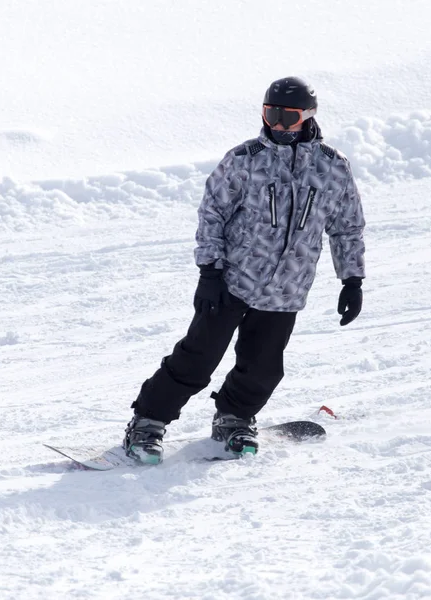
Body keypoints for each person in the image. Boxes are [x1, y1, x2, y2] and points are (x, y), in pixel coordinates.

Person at [123, 76, 366, 464]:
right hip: (233, 281)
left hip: (287, 288)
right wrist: (210, 271)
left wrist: (351, 280)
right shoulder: (245, 159)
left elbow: (347, 226)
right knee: (197, 358)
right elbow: (212, 213)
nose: (279, 126)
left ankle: (234, 418)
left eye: (289, 117)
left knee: (264, 366)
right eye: (271, 114)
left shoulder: (333, 168)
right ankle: (147, 423)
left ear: (307, 117)